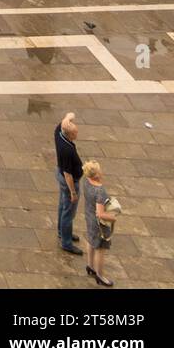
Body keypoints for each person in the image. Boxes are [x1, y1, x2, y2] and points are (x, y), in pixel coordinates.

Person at [81, 160, 118, 286]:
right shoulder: (100, 191)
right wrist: (113, 217)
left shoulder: (85, 181)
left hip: (89, 217)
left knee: (91, 242)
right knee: (100, 249)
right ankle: (100, 276)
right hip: (98, 224)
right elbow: (100, 214)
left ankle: (90, 266)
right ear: (96, 174)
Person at [55, 111, 85, 256]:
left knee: (62, 205)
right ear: (69, 135)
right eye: (74, 134)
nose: (76, 135)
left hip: (59, 173)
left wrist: (68, 118)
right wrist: (73, 192)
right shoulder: (67, 149)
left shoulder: (59, 133)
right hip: (69, 181)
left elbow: (67, 117)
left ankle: (62, 231)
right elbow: (68, 174)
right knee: (69, 211)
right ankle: (66, 242)